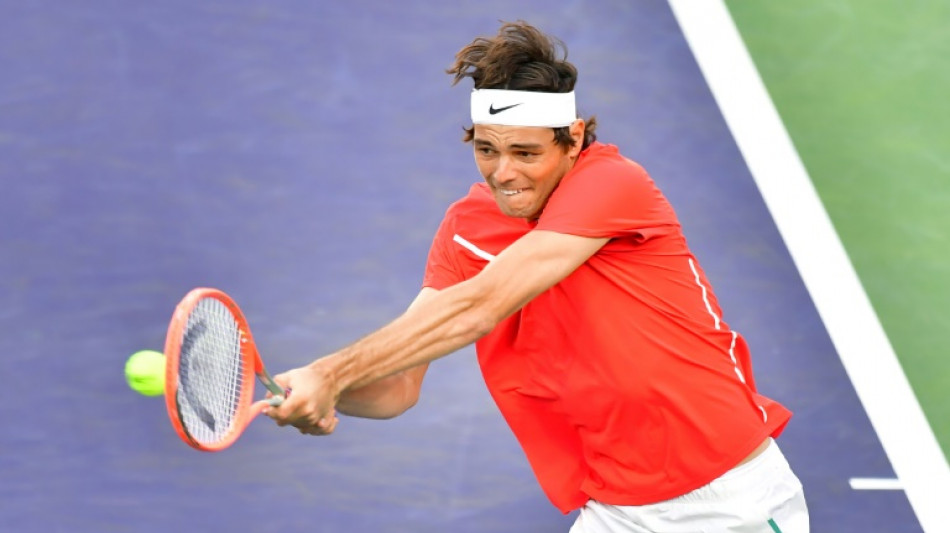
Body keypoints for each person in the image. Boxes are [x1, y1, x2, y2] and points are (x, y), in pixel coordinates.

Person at [264, 21, 809, 533]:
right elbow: (397, 387)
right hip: (617, 509)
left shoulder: (613, 184)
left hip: (728, 503)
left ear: (573, 139)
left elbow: (483, 304)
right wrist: (313, 391)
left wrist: (331, 374)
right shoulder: (465, 229)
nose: (504, 173)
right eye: (486, 150)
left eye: (526, 152)